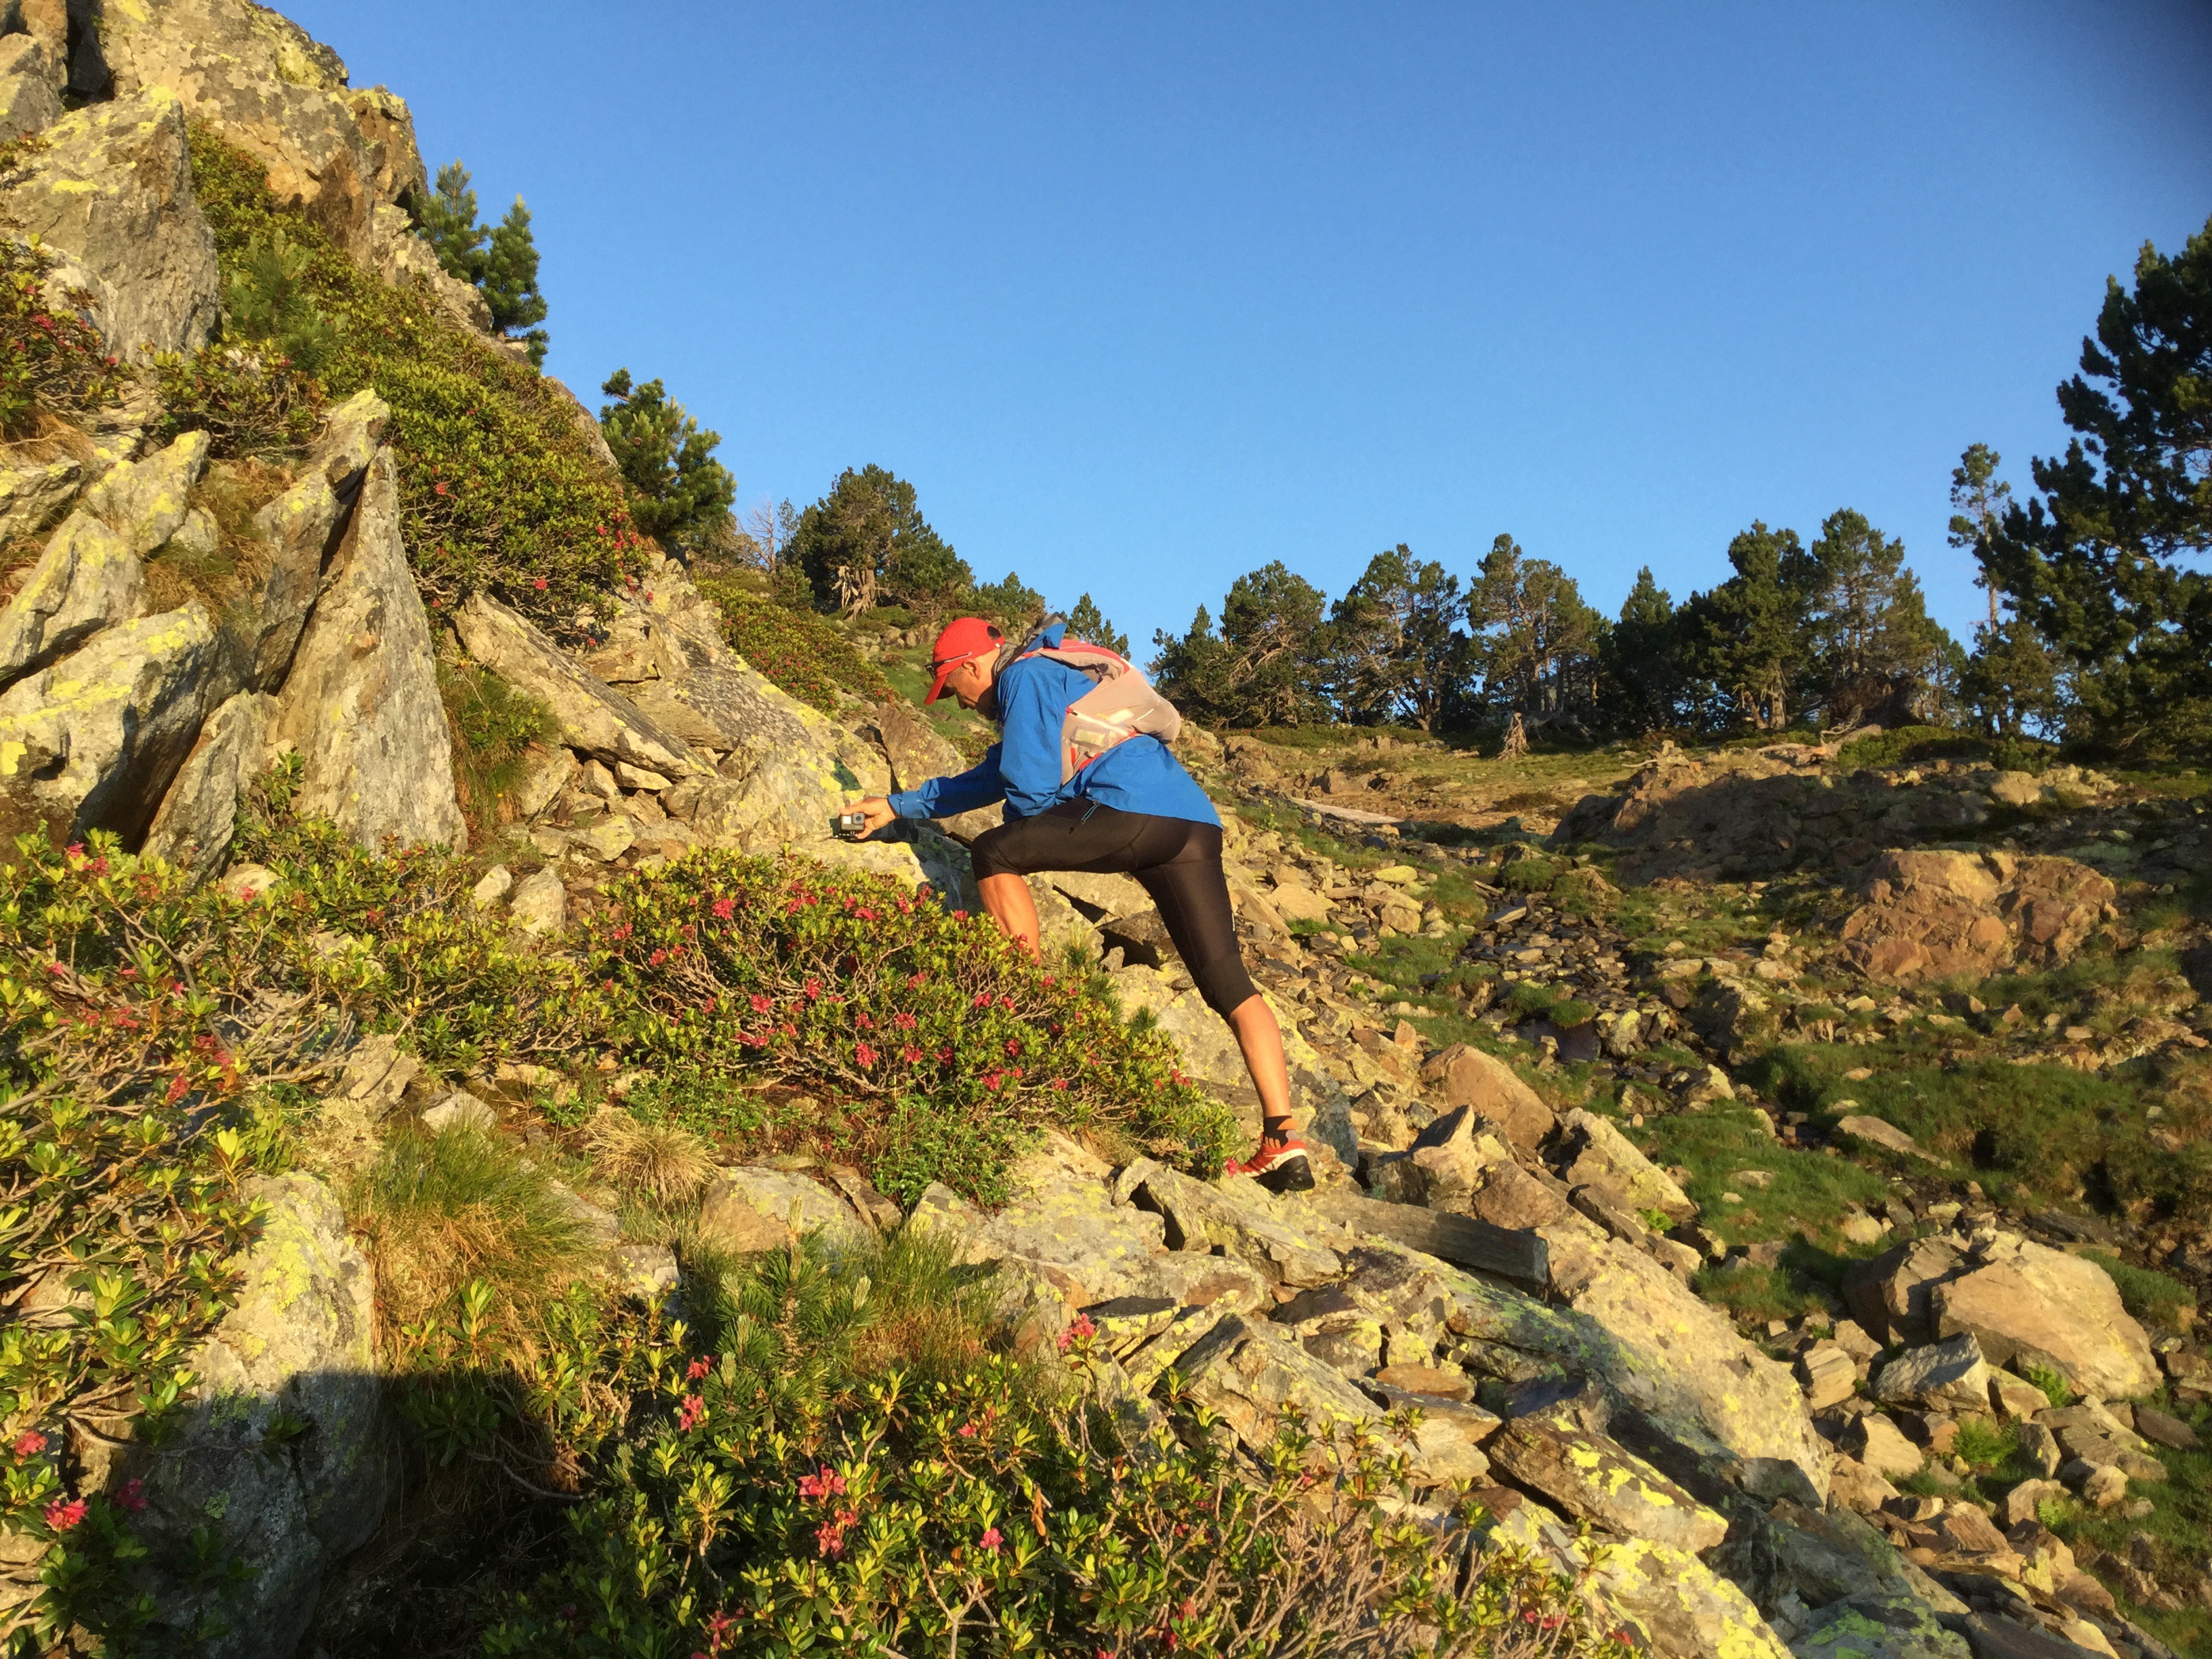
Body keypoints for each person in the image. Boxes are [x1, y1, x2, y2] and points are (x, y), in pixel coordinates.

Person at [851, 615, 1313, 1193]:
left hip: (1128, 810)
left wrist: (1023, 834)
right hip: (1192, 823)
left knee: (995, 850)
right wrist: (898, 805)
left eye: (952, 687)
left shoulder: (1022, 679)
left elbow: (1028, 792)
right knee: (1228, 983)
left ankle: (1015, 1012)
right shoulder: (1051, 679)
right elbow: (993, 774)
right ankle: (1281, 1138)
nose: (960, 702)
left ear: (971, 666)